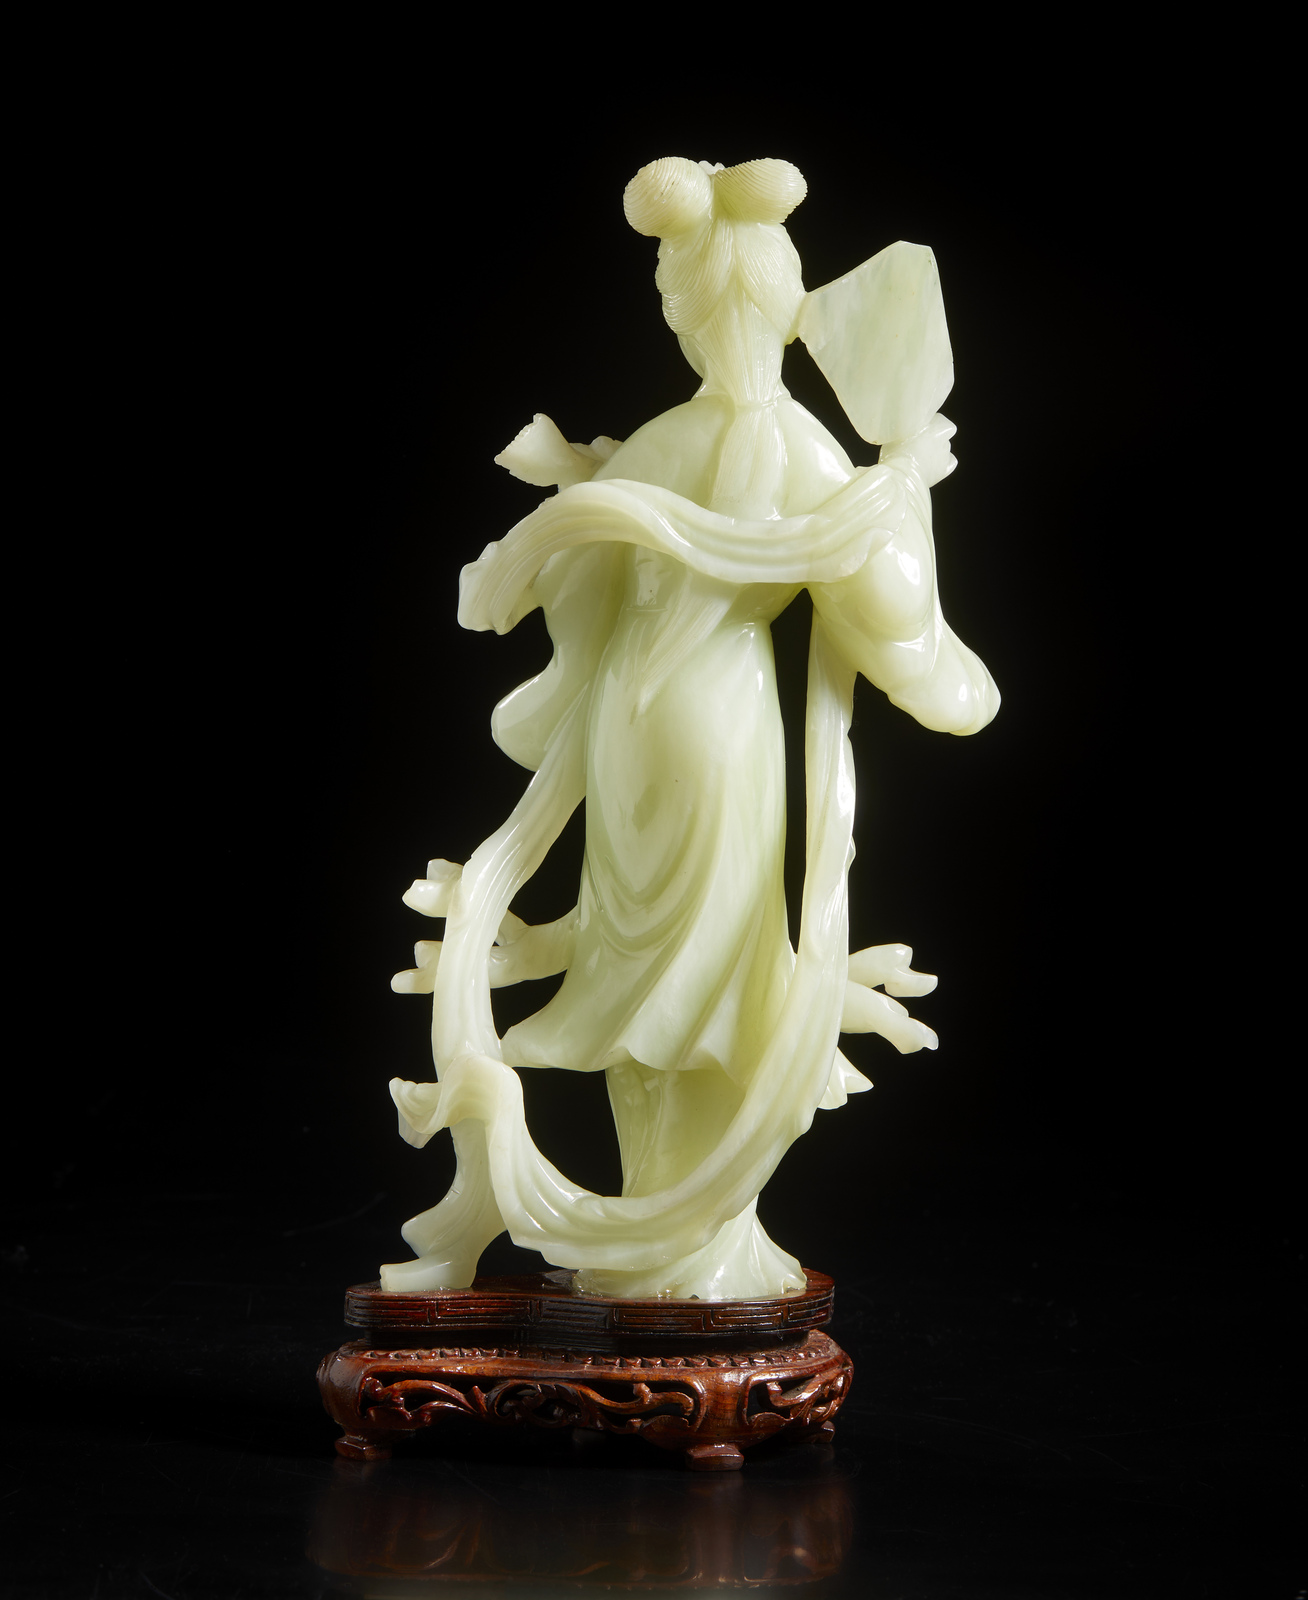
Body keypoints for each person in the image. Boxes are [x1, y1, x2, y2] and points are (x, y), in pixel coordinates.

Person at [382, 157, 998, 1298]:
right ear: (790, 302)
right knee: (715, 989)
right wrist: (906, 490)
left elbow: (592, 580)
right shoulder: (806, 453)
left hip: (632, 726)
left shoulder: (660, 444)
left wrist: (578, 483)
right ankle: (694, 1248)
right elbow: (890, 626)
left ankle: (668, 1242)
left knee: (646, 986)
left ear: (681, 313)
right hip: (720, 730)